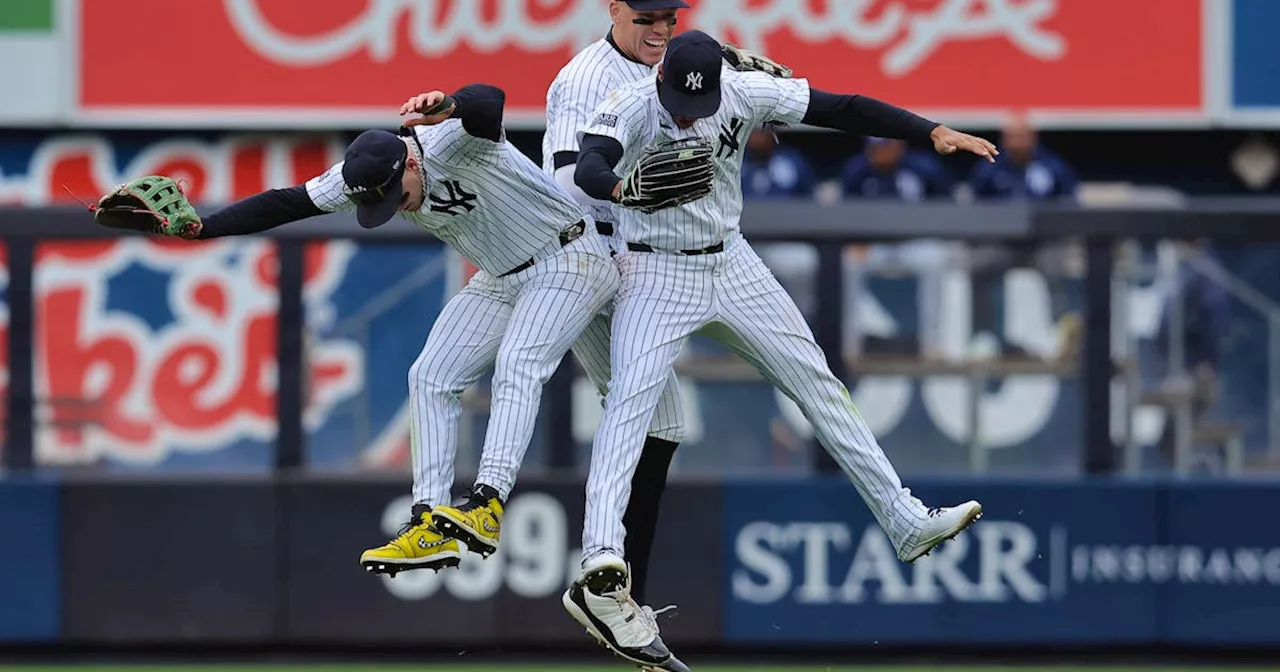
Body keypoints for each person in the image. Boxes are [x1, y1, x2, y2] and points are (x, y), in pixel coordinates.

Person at [567, 30, 991, 663]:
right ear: (659, 81)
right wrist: (622, 191)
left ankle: (904, 521)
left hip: (731, 263)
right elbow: (589, 164)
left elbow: (841, 108)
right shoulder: (629, 102)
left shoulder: (739, 91)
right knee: (631, 404)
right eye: (682, 101)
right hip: (654, 269)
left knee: (818, 383)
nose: (692, 111)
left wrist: (927, 130)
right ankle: (601, 552)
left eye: (701, 99)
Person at [126, 82, 626, 577]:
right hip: (502, 275)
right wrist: (205, 228)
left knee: (518, 363)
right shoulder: (361, 175)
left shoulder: (451, 140)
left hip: (569, 256)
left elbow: (489, 100)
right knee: (429, 376)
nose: (393, 204)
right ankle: (428, 520)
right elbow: (286, 202)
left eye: (394, 193)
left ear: (410, 161)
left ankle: (488, 503)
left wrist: (450, 104)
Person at [541, 0, 692, 612]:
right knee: (653, 418)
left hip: (633, 259)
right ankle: (612, 589)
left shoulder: (674, 67)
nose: (660, 29)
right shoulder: (584, 79)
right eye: (647, 16)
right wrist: (630, 202)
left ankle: (624, 592)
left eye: (670, 19)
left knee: (665, 420)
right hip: (592, 261)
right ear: (614, 9)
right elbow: (567, 177)